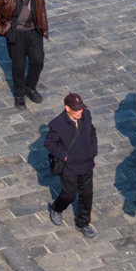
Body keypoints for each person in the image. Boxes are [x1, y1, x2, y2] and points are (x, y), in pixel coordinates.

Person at [0, 0, 48, 108]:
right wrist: (0, 30)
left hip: (34, 30)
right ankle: (20, 94)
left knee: (38, 60)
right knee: (18, 66)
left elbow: (41, 7)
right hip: (15, 32)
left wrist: (43, 26)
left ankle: (31, 87)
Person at [46, 93, 99, 237]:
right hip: (70, 167)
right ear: (67, 108)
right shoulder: (57, 124)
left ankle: (83, 223)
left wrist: (93, 149)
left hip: (86, 163)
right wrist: (65, 156)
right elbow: (50, 143)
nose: (79, 112)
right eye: (76, 110)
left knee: (87, 194)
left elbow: (92, 132)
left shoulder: (86, 115)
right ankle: (57, 208)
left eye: (81, 109)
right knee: (69, 194)